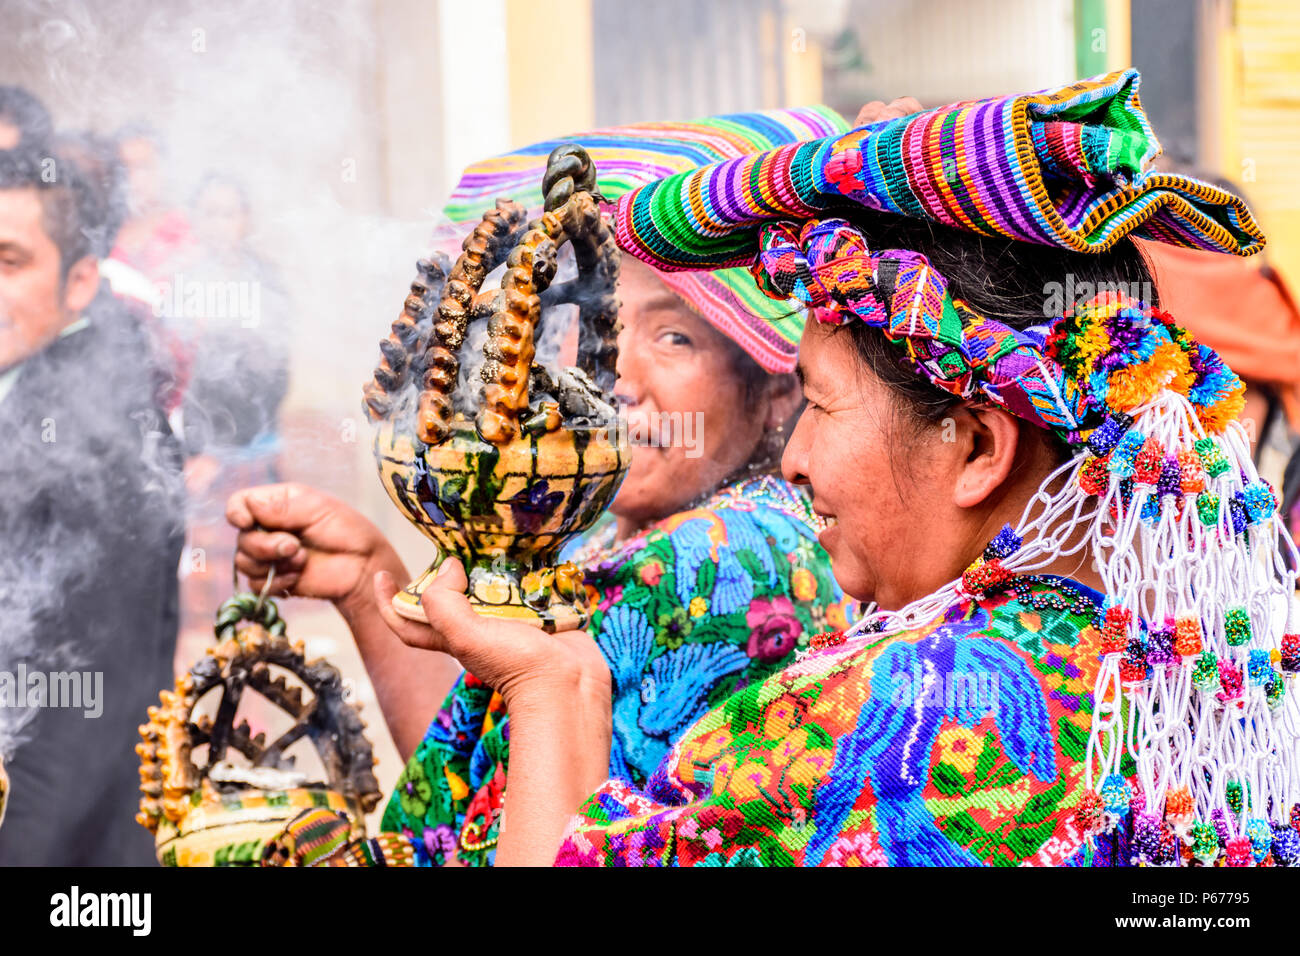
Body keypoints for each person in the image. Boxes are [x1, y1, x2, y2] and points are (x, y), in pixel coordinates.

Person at [368, 70, 1297, 867]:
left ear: (974, 445)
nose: (797, 461)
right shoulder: (1199, 669)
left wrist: (539, 689)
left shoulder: (889, 712)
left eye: (816, 402)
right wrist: (563, 683)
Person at [230, 108, 859, 865]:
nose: (618, 378)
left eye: (674, 337)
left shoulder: (717, 557)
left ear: (776, 389)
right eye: (600, 325)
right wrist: (369, 580)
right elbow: (496, 777)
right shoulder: (597, 531)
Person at [0, 141, 183, 864]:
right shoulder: (33, 384)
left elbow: (83, 710)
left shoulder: (100, 435)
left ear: (79, 282)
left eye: (9, 262)